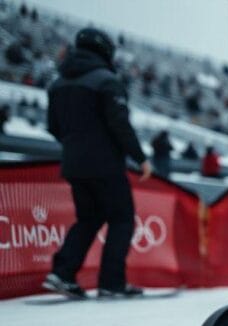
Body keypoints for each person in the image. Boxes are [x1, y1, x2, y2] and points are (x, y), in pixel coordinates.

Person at [43, 27, 151, 299]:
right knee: (122, 218)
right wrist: (140, 158)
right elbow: (120, 125)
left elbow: (53, 127)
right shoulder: (106, 81)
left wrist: (75, 145)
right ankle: (111, 283)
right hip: (105, 165)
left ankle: (63, 273)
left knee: (88, 218)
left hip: (73, 164)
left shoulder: (57, 84)